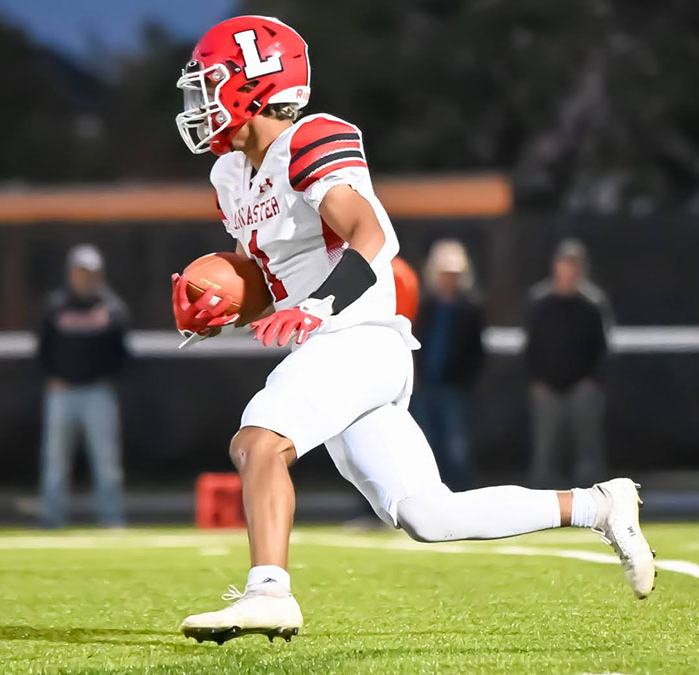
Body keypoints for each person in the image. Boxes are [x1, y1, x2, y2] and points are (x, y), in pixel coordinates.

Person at [169, 16, 654, 645]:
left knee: (259, 442)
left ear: (253, 84)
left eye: (210, 84)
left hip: (359, 333)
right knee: (429, 514)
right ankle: (601, 505)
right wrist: (228, 309)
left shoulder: (310, 139)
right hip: (332, 341)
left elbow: (373, 238)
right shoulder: (228, 177)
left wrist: (316, 307)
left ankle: (269, 594)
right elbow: (271, 283)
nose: (200, 103)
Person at [36, 244, 130, 528]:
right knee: (55, 462)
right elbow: (43, 348)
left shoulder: (112, 308)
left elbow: (121, 352)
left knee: (106, 463)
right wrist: (52, 377)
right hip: (62, 393)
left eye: (90, 273)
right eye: (80, 272)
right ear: (71, 273)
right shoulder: (55, 306)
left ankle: (111, 519)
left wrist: (108, 378)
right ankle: (52, 519)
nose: (85, 278)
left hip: (98, 393)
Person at [524, 239, 612, 488]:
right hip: (546, 388)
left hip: (582, 388)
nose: (569, 270)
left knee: (588, 446)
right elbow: (531, 347)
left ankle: (592, 497)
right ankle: (542, 497)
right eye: (565, 263)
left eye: (575, 265)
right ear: (556, 266)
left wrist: (591, 381)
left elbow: (601, 348)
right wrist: (535, 381)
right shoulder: (539, 301)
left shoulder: (593, 304)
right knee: (545, 445)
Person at [410, 240, 486, 492]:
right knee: (424, 444)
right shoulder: (426, 306)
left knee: (457, 447)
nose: (449, 279)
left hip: (454, 388)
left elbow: (476, 352)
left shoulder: (470, 308)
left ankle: (462, 494)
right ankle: (428, 493)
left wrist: (466, 383)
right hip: (425, 386)